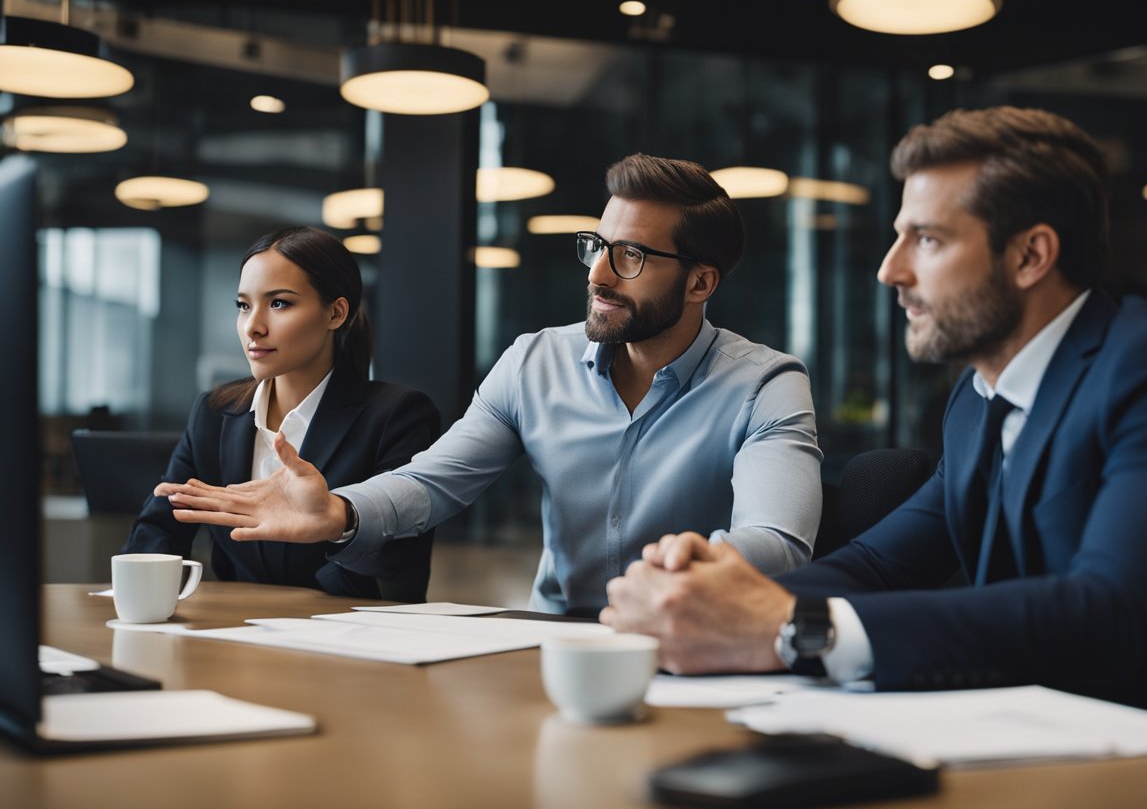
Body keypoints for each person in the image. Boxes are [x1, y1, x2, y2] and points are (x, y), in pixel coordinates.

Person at [601, 107, 1147, 720]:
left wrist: (797, 625)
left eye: (927, 239)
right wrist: (706, 601)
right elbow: (877, 565)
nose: (890, 270)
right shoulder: (976, 400)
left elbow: (1107, 613)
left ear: (1031, 256)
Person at [154, 154, 824, 615]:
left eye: (632, 257)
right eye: (597, 246)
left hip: (690, 637)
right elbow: (431, 482)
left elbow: (778, 540)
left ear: (701, 282)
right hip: (554, 638)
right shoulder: (534, 363)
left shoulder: (767, 384)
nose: (598, 276)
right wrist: (342, 514)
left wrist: (688, 567)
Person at [123, 226, 440, 599]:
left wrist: (334, 524)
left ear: (336, 313)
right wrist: (142, 602)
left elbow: (396, 574)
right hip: (233, 637)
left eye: (279, 303)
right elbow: (158, 531)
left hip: (344, 641)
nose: (253, 327)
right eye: (244, 305)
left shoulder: (397, 417)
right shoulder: (214, 412)